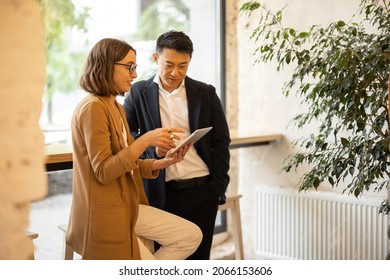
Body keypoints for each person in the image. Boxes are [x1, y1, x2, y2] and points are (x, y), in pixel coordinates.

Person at [66, 38, 202, 260]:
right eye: (129, 67)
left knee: (191, 235)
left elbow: (128, 163)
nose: (135, 74)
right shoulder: (93, 108)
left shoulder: (115, 107)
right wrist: (145, 140)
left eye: (135, 67)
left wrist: (161, 163)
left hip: (127, 206)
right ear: (107, 65)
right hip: (106, 214)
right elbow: (104, 171)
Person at [123, 30, 230, 260]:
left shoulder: (206, 93)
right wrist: (153, 149)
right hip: (159, 194)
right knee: (163, 261)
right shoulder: (137, 93)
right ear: (155, 59)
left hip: (203, 190)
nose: (175, 72)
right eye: (169, 64)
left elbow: (221, 141)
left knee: (198, 261)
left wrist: (217, 186)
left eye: (183, 65)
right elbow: (127, 137)